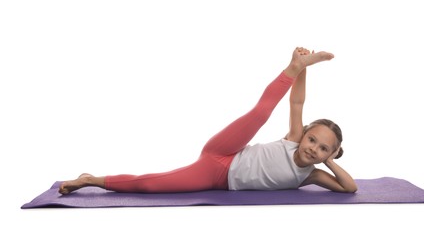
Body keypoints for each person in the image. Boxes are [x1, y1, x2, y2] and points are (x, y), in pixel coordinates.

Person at [59, 47, 357, 195]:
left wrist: (329, 161)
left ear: (328, 154)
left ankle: (90, 179)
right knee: (259, 114)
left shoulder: (311, 176)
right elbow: (297, 102)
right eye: (313, 140)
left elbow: (349, 188)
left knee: (151, 185)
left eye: (323, 149)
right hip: (224, 155)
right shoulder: (293, 137)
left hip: (217, 177)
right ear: (304, 134)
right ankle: (291, 67)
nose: (313, 149)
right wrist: (302, 69)